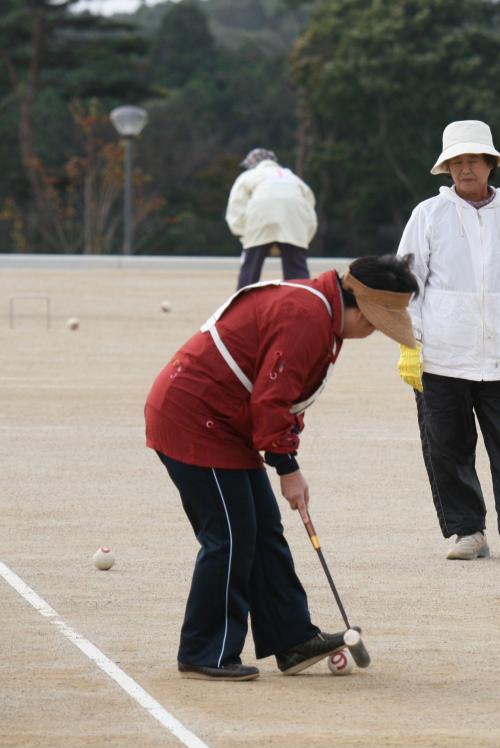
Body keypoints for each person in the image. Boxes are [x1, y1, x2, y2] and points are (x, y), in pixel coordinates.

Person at [145, 255, 419, 680]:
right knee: (231, 536)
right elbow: (270, 401)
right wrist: (287, 467)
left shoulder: (325, 315)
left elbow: (288, 396)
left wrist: (285, 455)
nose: (374, 334)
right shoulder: (306, 315)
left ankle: (291, 640)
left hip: (227, 422)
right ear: (361, 307)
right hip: (195, 419)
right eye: (377, 324)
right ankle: (204, 652)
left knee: (263, 528)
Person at [396, 119, 500, 565]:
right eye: (457, 161)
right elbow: (406, 284)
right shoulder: (428, 215)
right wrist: (410, 345)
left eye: (474, 160)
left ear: (491, 164)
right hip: (442, 353)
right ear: (447, 167)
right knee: (446, 446)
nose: (466, 169)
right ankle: (467, 530)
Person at [224, 148, 317, 289]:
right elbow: (309, 206)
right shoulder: (291, 176)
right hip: (294, 217)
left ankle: (242, 304)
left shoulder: (250, 175)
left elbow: (236, 205)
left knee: (251, 267)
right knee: (297, 269)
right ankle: (304, 302)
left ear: (253, 163)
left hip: (260, 214)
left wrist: (244, 233)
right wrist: (302, 237)